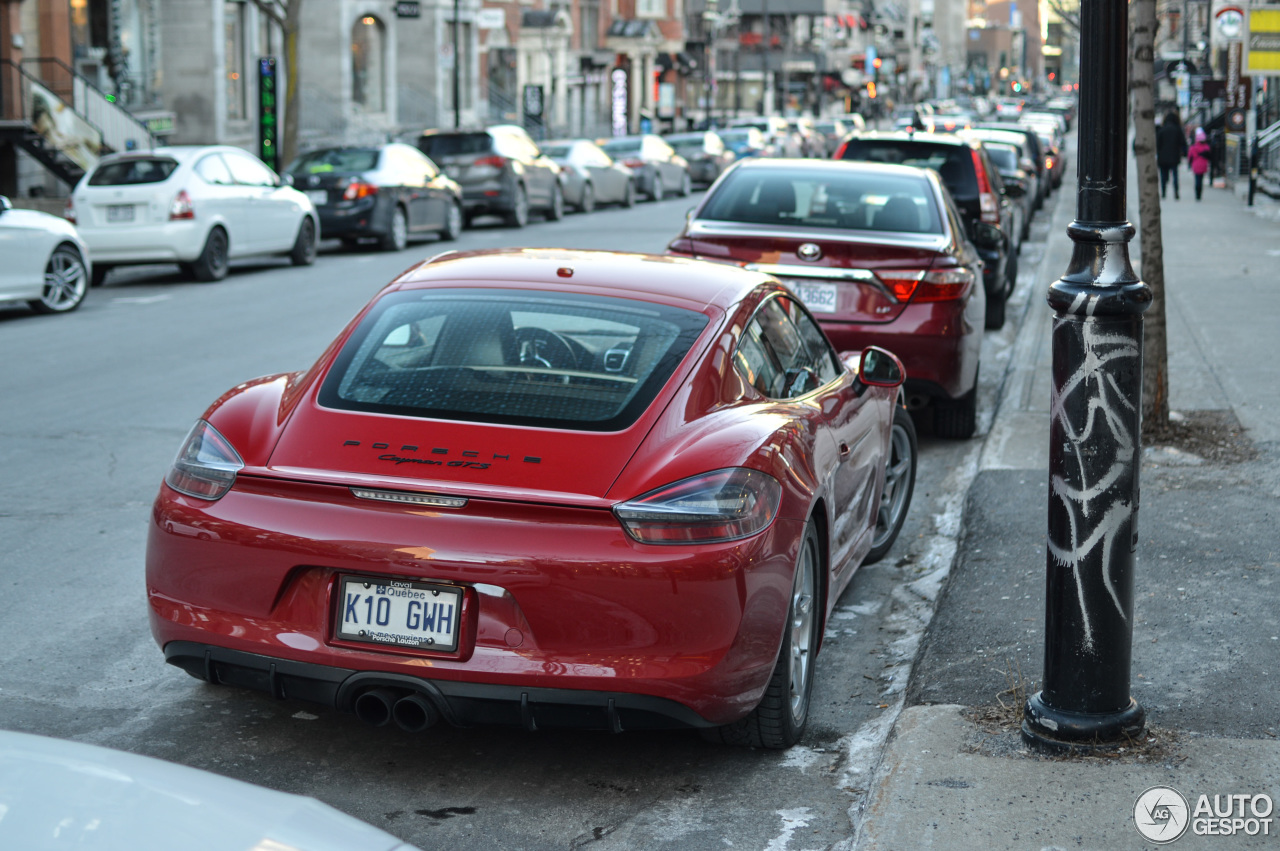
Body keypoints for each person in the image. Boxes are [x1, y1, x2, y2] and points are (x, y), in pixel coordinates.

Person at [1155, 111, 1187, 200]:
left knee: (1163, 176)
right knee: (1175, 175)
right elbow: (1183, 143)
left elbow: (1157, 144)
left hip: (1162, 157)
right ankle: (1176, 192)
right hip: (1174, 156)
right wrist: (1184, 154)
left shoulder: (1162, 130)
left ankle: (1164, 192)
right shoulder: (1178, 129)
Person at [1188, 127, 1211, 201]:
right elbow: (1209, 156)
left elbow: (1190, 157)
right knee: (1201, 179)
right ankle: (1199, 193)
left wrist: (1190, 164)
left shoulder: (1193, 147)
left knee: (1197, 179)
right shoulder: (1206, 147)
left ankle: (1197, 194)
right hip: (1203, 165)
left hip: (1196, 165)